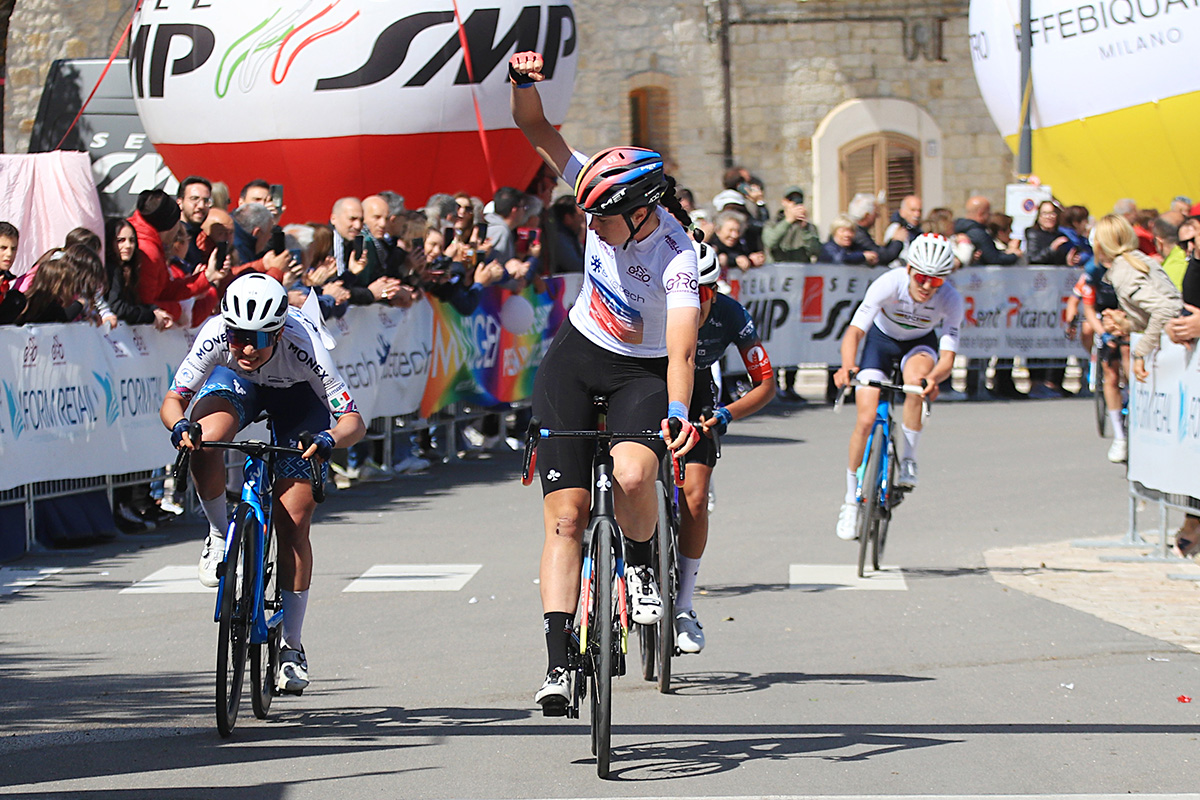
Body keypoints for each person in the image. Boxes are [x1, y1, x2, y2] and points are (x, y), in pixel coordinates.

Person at [509, 49, 700, 713]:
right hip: (578, 352)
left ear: (644, 211)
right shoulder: (598, 188)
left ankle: (645, 561)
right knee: (565, 519)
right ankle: (559, 664)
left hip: (642, 370)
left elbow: (680, 351)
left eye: (602, 219)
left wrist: (677, 409)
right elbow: (536, 131)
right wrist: (522, 82)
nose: (590, 225)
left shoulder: (678, 257)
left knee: (632, 477)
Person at [160, 273, 366, 693]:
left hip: (298, 400)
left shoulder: (302, 344)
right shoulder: (217, 334)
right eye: (239, 337)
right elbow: (174, 400)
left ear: (279, 329)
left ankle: (291, 646)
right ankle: (220, 532)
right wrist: (182, 426)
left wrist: (328, 439)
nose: (248, 347)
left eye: (258, 338)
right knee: (206, 437)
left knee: (293, 520)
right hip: (238, 388)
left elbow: (353, 421)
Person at [674, 239, 774, 653]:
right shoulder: (656, 305)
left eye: (702, 294)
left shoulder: (732, 314)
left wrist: (729, 413)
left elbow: (766, 383)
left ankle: (683, 605)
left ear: (715, 291)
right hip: (645, 383)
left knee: (695, 500)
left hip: (697, 392)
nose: (692, 303)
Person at [833, 234, 964, 540]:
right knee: (866, 419)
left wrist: (934, 379)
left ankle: (908, 459)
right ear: (908, 270)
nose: (927, 286)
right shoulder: (888, 283)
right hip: (880, 342)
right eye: (921, 277)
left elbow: (947, 357)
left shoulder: (951, 300)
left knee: (915, 383)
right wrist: (847, 366)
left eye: (936, 281)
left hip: (919, 345)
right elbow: (854, 332)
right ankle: (851, 500)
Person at [1092, 214, 1182, 384]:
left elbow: (1166, 309)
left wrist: (1141, 352)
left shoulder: (1124, 271)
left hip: (1176, 345)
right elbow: (1153, 314)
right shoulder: (1137, 260)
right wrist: (1126, 324)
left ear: (1099, 244)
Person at [762, 185, 820, 264]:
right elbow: (770, 242)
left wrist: (805, 228)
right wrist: (788, 221)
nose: (794, 203)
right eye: (791, 199)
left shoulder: (808, 227)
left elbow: (815, 251)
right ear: (784, 202)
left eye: (798, 200)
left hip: (799, 271)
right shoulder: (772, 223)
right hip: (777, 271)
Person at [955, 196, 1019, 265]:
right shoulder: (979, 234)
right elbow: (994, 259)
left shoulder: (956, 229)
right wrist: (1014, 255)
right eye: (988, 213)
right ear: (981, 214)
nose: (990, 216)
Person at [848, 193, 903, 267]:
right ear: (867, 215)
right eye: (875, 213)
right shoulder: (857, 234)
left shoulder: (859, 231)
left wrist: (892, 241)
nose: (877, 216)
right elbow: (881, 257)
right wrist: (897, 242)